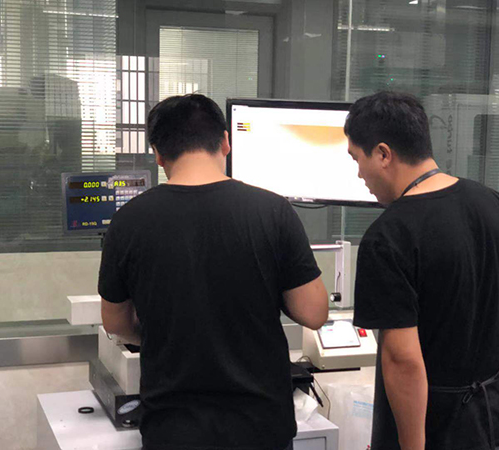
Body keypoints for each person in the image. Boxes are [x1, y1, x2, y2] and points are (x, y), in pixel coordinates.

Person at [98, 94, 328, 450]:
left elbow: (115, 322)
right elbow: (313, 313)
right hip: (260, 426)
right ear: (225, 141)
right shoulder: (273, 211)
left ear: (158, 155)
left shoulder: (127, 221)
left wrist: (161, 336)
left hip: (173, 428)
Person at [345, 91, 499, 450]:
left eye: (357, 158)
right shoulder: (498, 205)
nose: (358, 174)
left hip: (434, 432)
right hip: (494, 421)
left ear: (383, 154)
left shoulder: (388, 237)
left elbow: (403, 360)